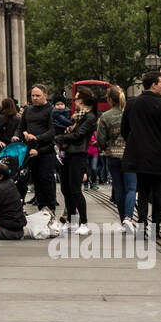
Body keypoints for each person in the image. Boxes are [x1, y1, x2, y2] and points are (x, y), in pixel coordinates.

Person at [121, 69, 161, 240]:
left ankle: (141, 228)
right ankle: (156, 230)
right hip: (160, 155)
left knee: (143, 192)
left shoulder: (132, 104)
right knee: (159, 192)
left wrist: (136, 142)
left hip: (139, 155)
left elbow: (125, 130)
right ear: (153, 85)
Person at [54, 86, 98, 234]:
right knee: (65, 188)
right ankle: (72, 220)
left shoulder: (90, 117)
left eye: (76, 99)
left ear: (83, 100)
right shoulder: (79, 116)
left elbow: (78, 135)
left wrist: (60, 138)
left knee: (75, 190)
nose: (74, 101)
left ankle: (84, 223)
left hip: (78, 155)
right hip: (69, 154)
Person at [97, 84, 137, 232]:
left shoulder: (106, 116)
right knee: (131, 188)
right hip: (130, 154)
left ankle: (122, 220)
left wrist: (104, 148)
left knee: (118, 188)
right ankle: (128, 217)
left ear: (109, 99)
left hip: (112, 155)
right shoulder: (131, 113)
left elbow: (101, 138)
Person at [13, 84, 57, 213]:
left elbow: (52, 131)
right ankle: (40, 208)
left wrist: (37, 137)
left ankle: (50, 209)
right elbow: (20, 128)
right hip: (29, 151)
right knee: (33, 180)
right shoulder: (28, 110)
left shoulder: (51, 110)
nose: (35, 98)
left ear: (45, 95)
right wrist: (17, 136)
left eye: (38, 95)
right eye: (33, 95)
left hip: (46, 150)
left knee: (45, 180)